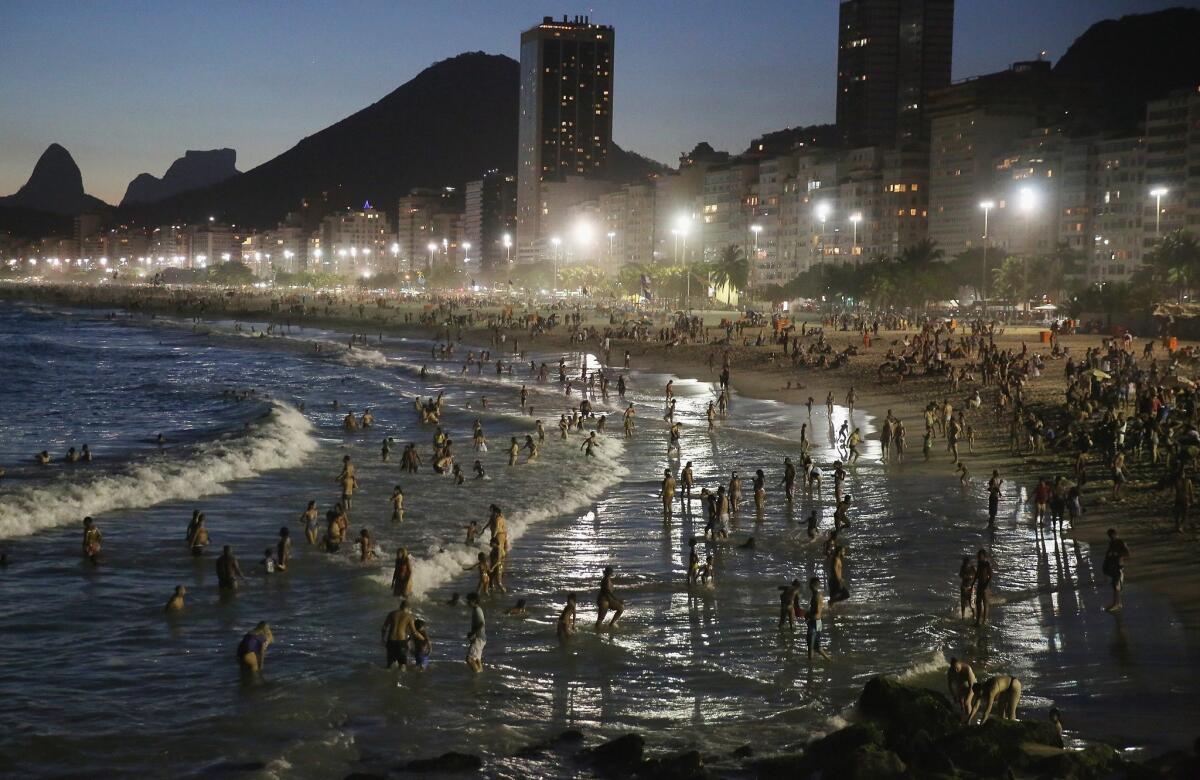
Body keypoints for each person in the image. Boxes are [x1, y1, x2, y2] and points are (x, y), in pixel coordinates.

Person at [1102, 527, 1131, 612]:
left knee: (1116, 585)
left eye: (1111, 536)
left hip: (1119, 567)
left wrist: (1119, 556)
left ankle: (1116, 604)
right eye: (1109, 536)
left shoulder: (1120, 542)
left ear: (1114, 534)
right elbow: (1108, 555)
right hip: (1114, 567)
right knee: (1115, 585)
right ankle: (1118, 603)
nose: (1111, 538)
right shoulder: (1112, 543)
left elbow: (1128, 553)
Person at [381, 599, 416, 669]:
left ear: (400, 606)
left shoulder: (391, 614)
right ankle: (402, 679)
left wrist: (383, 638)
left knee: (389, 664)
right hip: (401, 642)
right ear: (409, 608)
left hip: (390, 641)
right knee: (403, 665)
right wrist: (409, 640)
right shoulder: (409, 616)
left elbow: (384, 627)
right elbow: (414, 632)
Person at [806, 576, 830, 661]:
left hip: (814, 623)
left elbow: (816, 613)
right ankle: (829, 660)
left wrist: (807, 615)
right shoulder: (819, 595)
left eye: (809, 584)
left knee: (810, 647)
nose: (808, 585)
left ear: (812, 585)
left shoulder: (816, 596)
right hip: (818, 622)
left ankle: (810, 668)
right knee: (818, 646)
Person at [947, 657, 977, 722]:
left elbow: (971, 686)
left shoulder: (967, 669)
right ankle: (964, 717)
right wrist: (954, 695)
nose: (956, 670)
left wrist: (968, 698)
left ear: (960, 664)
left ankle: (969, 720)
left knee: (967, 703)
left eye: (957, 668)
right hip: (960, 687)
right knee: (961, 703)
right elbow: (949, 685)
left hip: (972, 687)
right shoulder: (950, 671)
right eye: (954, 668)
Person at [465, 592, 486, 672]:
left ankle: (476, 674)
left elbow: (481, 624)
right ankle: (479, 676)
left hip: (479, 638)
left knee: (469, 659)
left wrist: (473, 633)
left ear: (474, 601)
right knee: (477, 659)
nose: (467, 603)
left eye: (469, 601)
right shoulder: (477, 610)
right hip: (481, 638)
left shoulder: (477, 610)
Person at [972, 549, 992, 627]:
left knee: (985, 603)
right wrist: (973, 584)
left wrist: (986, 585)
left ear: (984, 556)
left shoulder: (986, 564)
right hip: (980, 585)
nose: (979, 557)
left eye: (980, 556)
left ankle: (984, 621)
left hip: (985, 586)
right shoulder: (979, 564)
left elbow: (990, 575)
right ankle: (978, 621)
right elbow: (977, 574)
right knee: (978, 602)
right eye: (978, 556)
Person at [958, 555, 976, 620]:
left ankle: (974, 615)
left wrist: (970, 577)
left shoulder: (972, 568)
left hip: (970, 587)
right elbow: (960, 575)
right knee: (963, 602)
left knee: (972, 602)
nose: (966, 564)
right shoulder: (962, 567)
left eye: (966, 562)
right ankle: (963, 616)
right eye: (965, 563)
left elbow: (975, 575)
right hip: (964, 586)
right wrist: (965, 576)